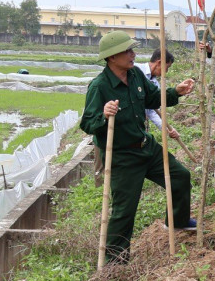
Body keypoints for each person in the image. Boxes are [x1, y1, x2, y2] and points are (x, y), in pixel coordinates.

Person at [80, 31, 196, 261]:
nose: (133, 55)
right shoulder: (100, 86)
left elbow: (154, 98)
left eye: (132, 50)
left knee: (180, 176)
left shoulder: (134, 75)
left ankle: (178, 221)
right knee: (124, 211)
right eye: (128, 51)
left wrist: (176, 92)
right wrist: (103, 115)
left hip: (146, 147)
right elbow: (87, 123)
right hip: (122, 156)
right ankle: (116, 262)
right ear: (112, 57)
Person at [143, 48, 183, 142]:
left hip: (141, 124)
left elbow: (152, 111)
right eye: (167, 67)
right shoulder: (135, 71)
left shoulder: (155, 84)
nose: (166, 71)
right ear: (159, 62)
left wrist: (167, 130)